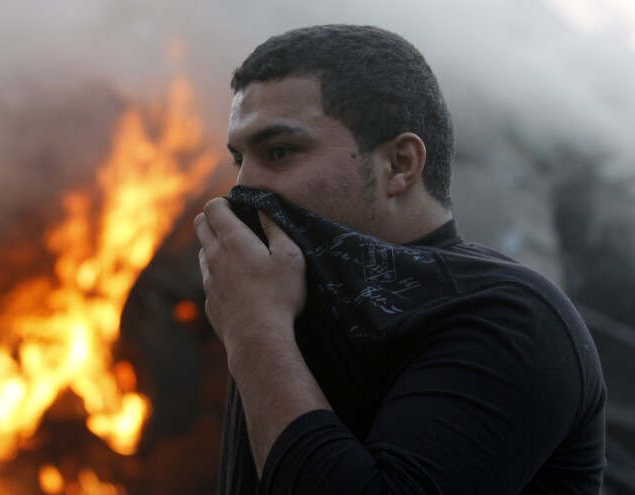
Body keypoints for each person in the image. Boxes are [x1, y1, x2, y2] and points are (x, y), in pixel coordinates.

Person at [194, 25, 606, 494]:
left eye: (280, 151)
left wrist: (255, 331)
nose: (244, 189)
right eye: (238, 161)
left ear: (400, 164)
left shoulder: (511, 316)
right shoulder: (291, 297)